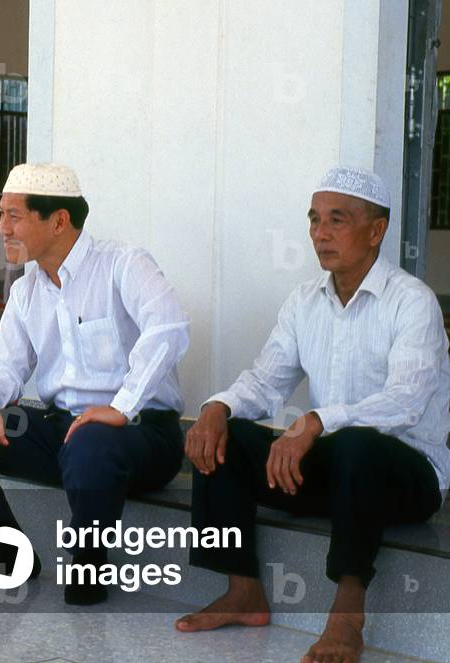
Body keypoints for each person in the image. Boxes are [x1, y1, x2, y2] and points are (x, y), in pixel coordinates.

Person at [176, 166, 450, 663]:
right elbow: (266, 379)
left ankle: (347, 615)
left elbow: (406, 400)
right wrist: (218, 405)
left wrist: (316, 422)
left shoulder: (412, 303)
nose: (320, 233)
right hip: (340, 469)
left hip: (407, 476)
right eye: (314, 219)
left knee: (357, 441)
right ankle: (243, 591)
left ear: (376, 230)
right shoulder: (305, 301)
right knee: (225, 436)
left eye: (337, 220)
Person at [0, 163, 191, 605]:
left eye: (14, 216)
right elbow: (5, 364)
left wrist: (120, 408)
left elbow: (170, 329)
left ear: (59, 220)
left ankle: (88, 566)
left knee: (93, 439)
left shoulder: (124, 264)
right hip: (63, 433)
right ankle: (6, 553)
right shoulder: (27, 291)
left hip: (138, 435)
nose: (2, 228)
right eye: (2, 214)